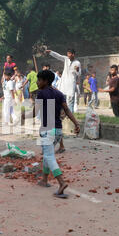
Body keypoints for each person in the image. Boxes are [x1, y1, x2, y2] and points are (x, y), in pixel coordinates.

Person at [35, 70, 80, 199]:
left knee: (49, 156)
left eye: (39, 80)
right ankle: (44, 180)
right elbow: (66, 110)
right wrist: (76, 123)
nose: (37, 82)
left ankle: (61, 182)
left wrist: (23, 114)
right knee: (47, 154)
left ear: (46, 81)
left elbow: (34, 112)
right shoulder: (59, 94)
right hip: (58, 130)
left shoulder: (41, 93)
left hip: (47, 129)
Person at [46, 49, 82, 113]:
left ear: (73, 54)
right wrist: (51, 52)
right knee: (62, 100)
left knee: (70, 101)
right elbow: (58, 56)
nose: (68, 55)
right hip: (64, 84)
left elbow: (79, 74)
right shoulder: (66, 59)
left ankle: (70, 117)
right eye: (67, 53)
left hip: (71, 84)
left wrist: (77, 70)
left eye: (69, 54)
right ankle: (62, 116)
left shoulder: (77, 63)